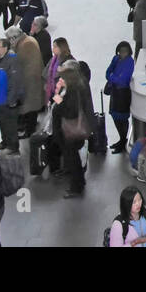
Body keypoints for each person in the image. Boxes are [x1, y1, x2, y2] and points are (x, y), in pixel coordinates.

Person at [52, 65, 92, 198]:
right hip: (72, 130)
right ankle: (80, 181)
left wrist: (57, 103)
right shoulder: (77, 87)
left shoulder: (73, 91)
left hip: (69, 131)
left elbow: (69, 111)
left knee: (72, 158)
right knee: (73, 157)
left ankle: (76, 186)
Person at [0, 37, 22, 153]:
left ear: (5, 48)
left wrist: (11, 100)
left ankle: (12, 146)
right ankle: (5, 142)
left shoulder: (12, 61)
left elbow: (15, 82)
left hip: (7, 102)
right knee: (2, 123)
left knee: (10, 125)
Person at [105, 41, 135, 153]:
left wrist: (113, 77)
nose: (122, 53)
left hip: (123, 94)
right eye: (121, 51)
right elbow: (107, 73)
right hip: (115, 92)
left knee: (122, 118)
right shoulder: (115, 59)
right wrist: (114, 77)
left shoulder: (130, 62)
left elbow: (124, 80)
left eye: (125, 51)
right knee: (114, 115)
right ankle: (121, 139)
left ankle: (123, 141)